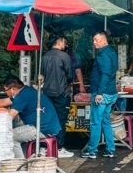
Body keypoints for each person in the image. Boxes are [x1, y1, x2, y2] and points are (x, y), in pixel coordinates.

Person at [0, 76, 62, 159]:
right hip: (49, 125)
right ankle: (25, 157)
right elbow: (4, 101)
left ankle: (21, 165)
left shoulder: (21, 97)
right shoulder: (26, 91)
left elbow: (8, 118)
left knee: (11, 136)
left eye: (6, 90)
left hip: (43, 128)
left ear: (12, 89)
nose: (5, 92)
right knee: (17, 128)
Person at [82, 30, 118, 159]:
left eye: (96, 40)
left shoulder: (103, 55)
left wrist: (99, 93)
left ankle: (92, 150)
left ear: (104, 40)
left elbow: (105, 74)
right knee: (105, 121)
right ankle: (110, 149)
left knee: (95, 122)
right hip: (111, 92)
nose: (94, 42)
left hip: (102, 94)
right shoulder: (112, 52)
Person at [41, 35, 75, 158]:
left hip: (47, 93)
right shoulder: (64, 56)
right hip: (61, 93)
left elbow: (43, 74)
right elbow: (70, 76)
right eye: (64, 42)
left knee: (48, 119)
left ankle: (46, 147)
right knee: (61, 120)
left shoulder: (44, 56)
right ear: (59, 42)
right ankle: (59, 147)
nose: (65, 45)